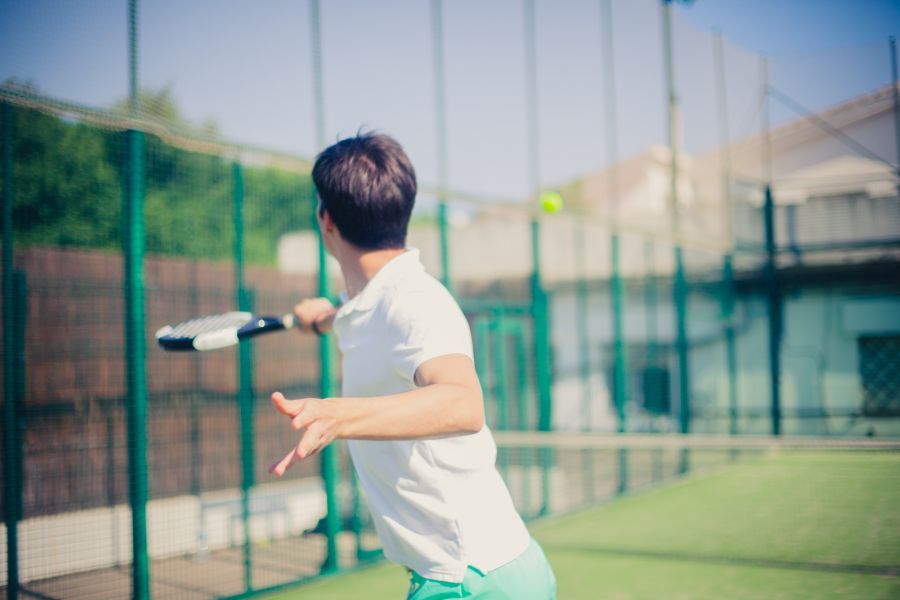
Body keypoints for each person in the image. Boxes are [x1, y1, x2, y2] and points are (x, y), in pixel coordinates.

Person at [268, 132, 556, 599]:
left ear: (326, 221)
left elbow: (463, 404)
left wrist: (341, 415)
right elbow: (357, 315)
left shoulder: (415, 303)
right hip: (479, 573)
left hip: (468, 580)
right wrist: (320, 319)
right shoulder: (369, 302)